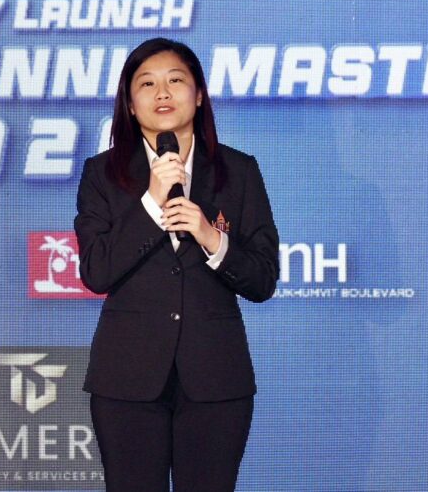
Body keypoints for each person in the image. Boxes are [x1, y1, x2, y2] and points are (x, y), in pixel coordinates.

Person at [75, 37, 279, 491]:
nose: (162, 93)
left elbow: (262, 279)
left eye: (175, 80)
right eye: (147, 84)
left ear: (199, 94)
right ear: (130, 105)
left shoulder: (239, 171)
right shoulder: (102, 174)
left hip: (216, 377)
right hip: (127, 379)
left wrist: (210, 237)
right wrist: (150, 202)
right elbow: (96, 272)